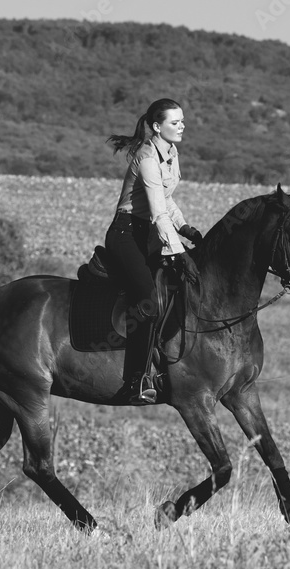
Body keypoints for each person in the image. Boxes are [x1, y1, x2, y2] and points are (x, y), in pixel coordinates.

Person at [105, 98, 202, 405]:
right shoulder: (147, 156)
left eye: (183, 121)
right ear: (158, 127)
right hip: (125, 235)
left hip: (148, 234)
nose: (182, 126)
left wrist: (185, 227)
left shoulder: (171, 153)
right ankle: (135, 381)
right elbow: (158, 213)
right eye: (175, 122)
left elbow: (166, 199)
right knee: (149, 301)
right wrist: (179, 251)